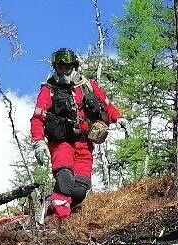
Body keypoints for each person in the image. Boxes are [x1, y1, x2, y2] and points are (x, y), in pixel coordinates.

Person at [30, 48, 129, 221]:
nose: (64, 70)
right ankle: (64, 226)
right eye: (60, 67)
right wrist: (38, 142)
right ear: (55, 67)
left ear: (74, 66)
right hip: (61, 144)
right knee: (65, 180)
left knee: (80, 190)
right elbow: (37, 118)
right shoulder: (49, 90)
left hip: (85, 146)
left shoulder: (87, 86)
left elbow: (107, 105)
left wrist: (118, 118)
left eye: (68, 66)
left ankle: (51, 207)